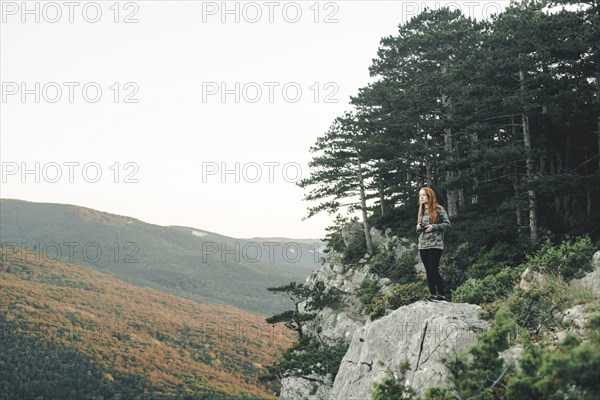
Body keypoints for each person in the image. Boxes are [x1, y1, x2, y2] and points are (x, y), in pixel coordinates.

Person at [416, 187, 450, 301]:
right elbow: (420, 228)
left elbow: (447, 224)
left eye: (424, 195)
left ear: (430, 196)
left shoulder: (439, 209)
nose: (421, 197)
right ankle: (432, 294)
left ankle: (441, 294)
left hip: (436, 243)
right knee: (428, 270)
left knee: (433, 268)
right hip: (423, 244)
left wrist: (433, 227)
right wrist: (418, 228)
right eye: (420, 195)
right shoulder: (421, 210)